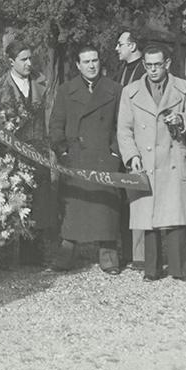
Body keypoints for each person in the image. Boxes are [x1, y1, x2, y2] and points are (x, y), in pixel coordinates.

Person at [117, 45, 186, 282]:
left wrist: (182, 119)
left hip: (173, 156)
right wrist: (132, 156)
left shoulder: (183, 88)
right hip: (144, 161)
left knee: (176, 216)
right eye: (148, 65)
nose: (153, 70)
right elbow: (124, 130)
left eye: (157, 65)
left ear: (167, 64)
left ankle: (181, 269)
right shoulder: (130, 91)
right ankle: (151, 269)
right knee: (148, 215)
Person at [49, 45, 123, 274]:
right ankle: (67, 252)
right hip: (76, 158)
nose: (92, 65)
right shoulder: (66, 90)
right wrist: (63, 152)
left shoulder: (115, 90)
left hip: (104, 158)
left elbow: (122, 125)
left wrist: (115, 152)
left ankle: (108, 254)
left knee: (105, 208)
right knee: (74, 208)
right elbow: (56, 125)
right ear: (78, 66)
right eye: (86, 62)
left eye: (95, 61)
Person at [0, 40, 51, 265]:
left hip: (38, 151)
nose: (29, 63)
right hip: (11, 153)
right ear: (11, 61)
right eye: (23, 59)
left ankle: (34, 253)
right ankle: (7, 255)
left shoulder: (41, 82)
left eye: (30, 58)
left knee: (39, 201)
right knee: (10, 199)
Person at [113, 28, 147, 270]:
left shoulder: (145, 70)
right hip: (121, 140)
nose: (117, 48)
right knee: (125, 200)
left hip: (140, 142)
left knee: (140, 198)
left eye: (120, 44)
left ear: (133, 46)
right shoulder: (121, 70)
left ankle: (141, 255)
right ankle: (127, 251)